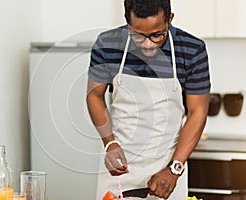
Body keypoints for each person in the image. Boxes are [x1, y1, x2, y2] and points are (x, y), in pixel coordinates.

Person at [86, 0, 210, 199]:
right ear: (128, 23)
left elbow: (198, 111)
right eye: (138, 35)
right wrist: (109, 143)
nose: (148, 44)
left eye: (156, 35)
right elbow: (94, 95)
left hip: (168, 169)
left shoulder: (191, 50)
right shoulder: (108, 44)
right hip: (118, 169)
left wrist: (174, 168)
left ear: (169, 20)